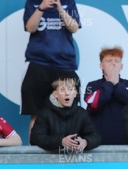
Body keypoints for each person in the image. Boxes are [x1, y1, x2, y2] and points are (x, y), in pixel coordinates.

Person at [21, 0, 81, 134]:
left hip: (65, 65)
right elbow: (30, 28)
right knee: (36, 112)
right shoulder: (33, 2)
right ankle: (34, 152)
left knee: (69, 111)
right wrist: (41, 8)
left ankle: (66, 149)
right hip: (37, 63)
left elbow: (74, 28)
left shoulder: (68, 3)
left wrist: (60, 8)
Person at [30, 77, 101, 152]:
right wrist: (61, 142)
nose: (67, 93)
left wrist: (85, 142)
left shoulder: (82, 113)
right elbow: (35, 138)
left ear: (75, 93)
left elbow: (96, 136)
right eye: (62, 90)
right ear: (55, 94)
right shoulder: (45, 114)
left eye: (70, 89)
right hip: (51, 162)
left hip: (75, 162)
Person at [84, 46, 128, 144]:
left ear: (121, 66)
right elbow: (94, 104)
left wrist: (116, 84)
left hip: (126, 144)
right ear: (101, 66)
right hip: (99, 144)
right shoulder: (92, 85)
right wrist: (109, 83)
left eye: (116, 61)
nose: (113, 63)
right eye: (108, 61)